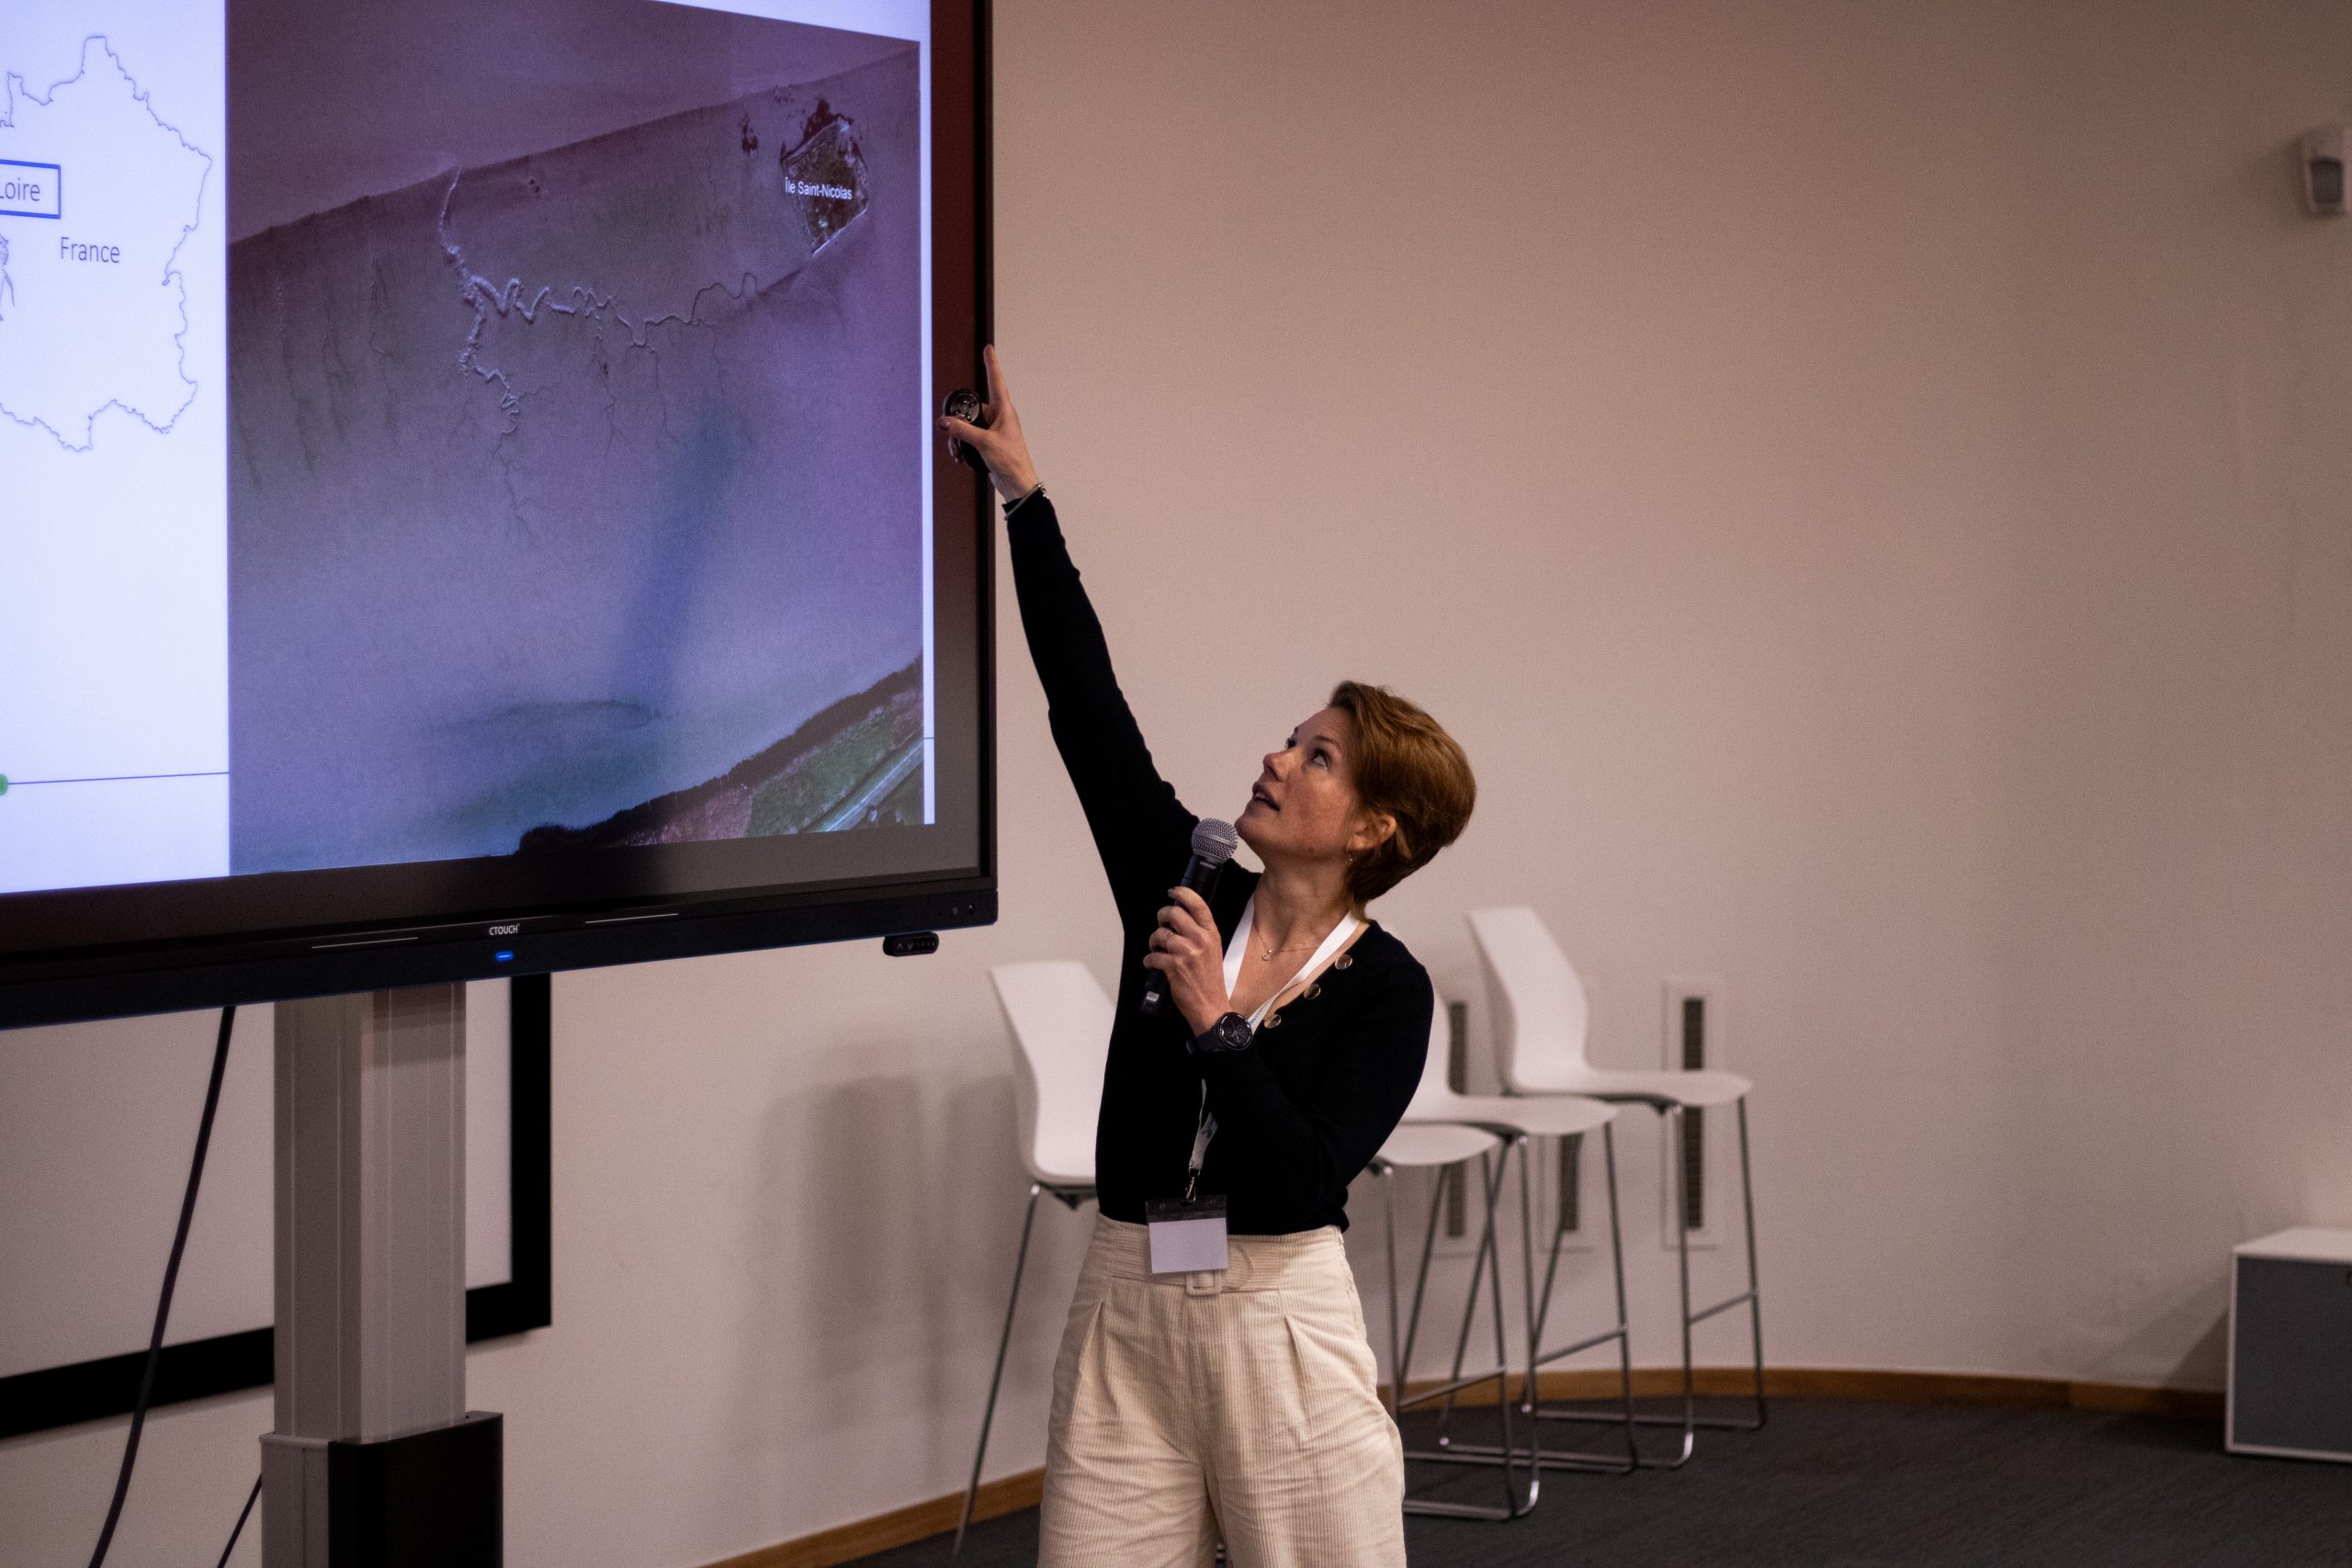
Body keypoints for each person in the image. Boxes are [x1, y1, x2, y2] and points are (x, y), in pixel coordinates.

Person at [943, 347, 1477, 1568]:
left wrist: (1215, 1024)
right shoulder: (1184, 880)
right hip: (1125, 1304)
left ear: (1377, 829)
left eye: (1321, 758)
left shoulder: (1390, 992)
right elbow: (1088, 712)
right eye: (1293, 739)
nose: (1280, 760)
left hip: (1279, 1325)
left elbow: (1299, 1181)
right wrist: (1028, 500)